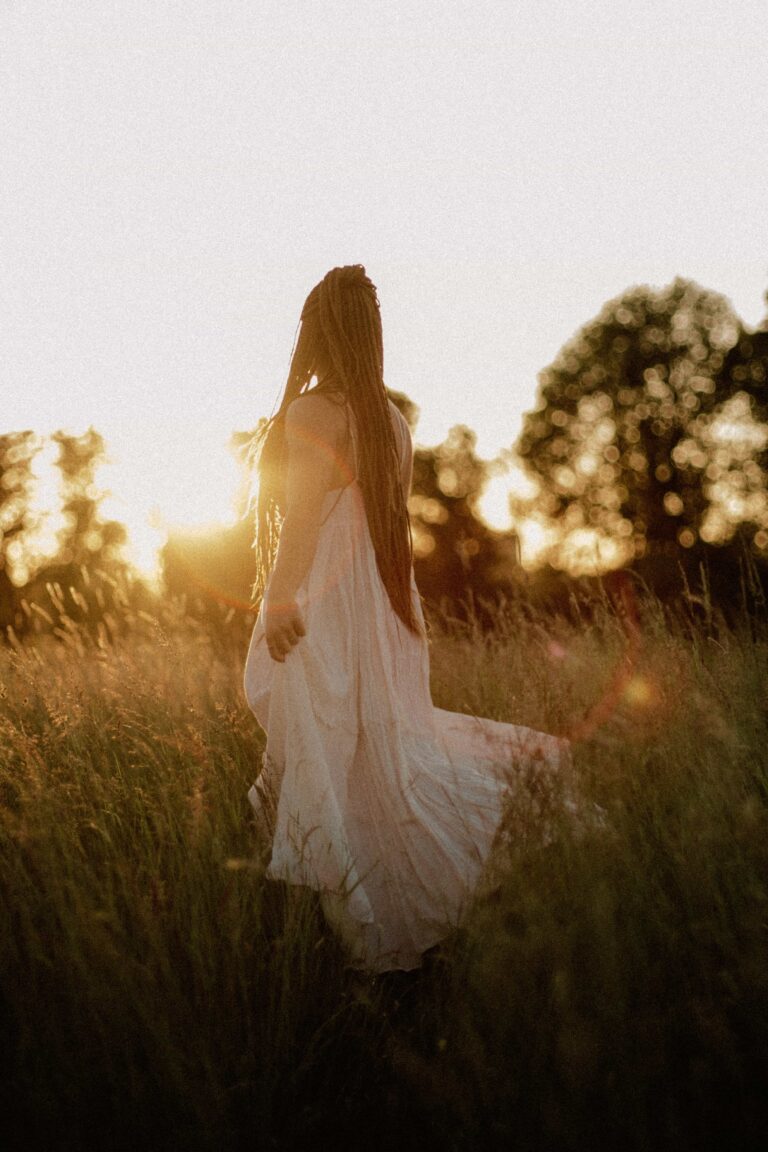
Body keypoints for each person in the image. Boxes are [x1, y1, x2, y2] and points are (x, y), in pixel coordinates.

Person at [243, 264, 574, 973]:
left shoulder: (313, 414)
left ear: (319, 330)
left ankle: (321, 934)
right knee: (370, 763)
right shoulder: (390, 421)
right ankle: (342, 918)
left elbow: (303, 517)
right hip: (387, 608)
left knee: (327, 759)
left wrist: (279, 599)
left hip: (325, 605)